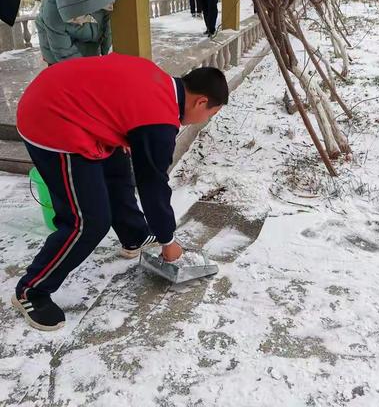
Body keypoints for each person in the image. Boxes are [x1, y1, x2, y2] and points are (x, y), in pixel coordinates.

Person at [12, 53, 229, 331]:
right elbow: (153, 185)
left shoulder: (159, 81)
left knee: (117, 164)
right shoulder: (159, 120)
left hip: (63, 102)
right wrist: (168, 240)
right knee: (88, 221)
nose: (203, 120)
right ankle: (32, 290)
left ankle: (134, 235)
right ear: (201, 101)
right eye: (209, 114)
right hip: (51, 119)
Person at [36, 0, 117, 65]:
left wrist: (109, 62)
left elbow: (108, 32)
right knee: (70, 75)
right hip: (57, 50)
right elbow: (63, 52)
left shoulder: (101, 0)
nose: (78, 22)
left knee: (94, 68)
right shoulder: (52, 9)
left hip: (90, 42)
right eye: (73, 19)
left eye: (78, 17)